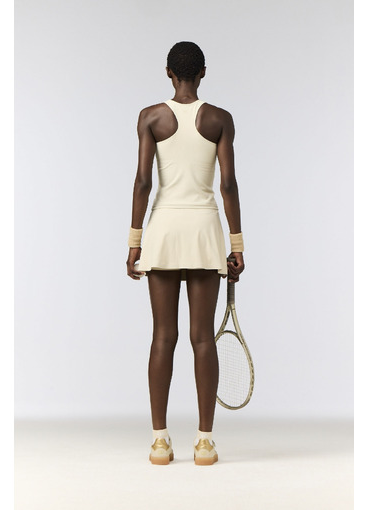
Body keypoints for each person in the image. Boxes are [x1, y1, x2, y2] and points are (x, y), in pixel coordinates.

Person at [126, 41, 245, 466]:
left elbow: (143, 182)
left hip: (163, 229)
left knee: (163, 336)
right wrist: (236, 244)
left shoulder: (150, 117)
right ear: (203, 72)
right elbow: (227, 185)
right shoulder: (219, 119)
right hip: (203, 230)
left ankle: (159, 442)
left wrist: (135, 241)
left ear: (168, 72)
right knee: (202, 338)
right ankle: (205, 443)